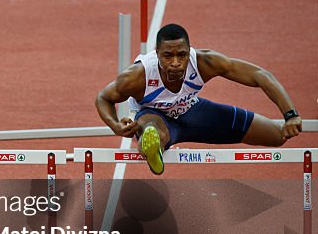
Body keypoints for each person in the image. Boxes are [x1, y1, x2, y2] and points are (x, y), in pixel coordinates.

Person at [96, 23, 302, 175]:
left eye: (182, 55)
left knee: (276, 136)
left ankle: (153, 142)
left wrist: (290, 114)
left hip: (194, 112)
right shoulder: (137, 76)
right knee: (152, 131)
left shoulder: (204, 62)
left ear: (189, 52)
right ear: (157, 53)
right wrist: (115, 125)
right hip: (155, 117)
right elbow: (104, 98)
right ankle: (152, 147)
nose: (176, 63)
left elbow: (260, 75)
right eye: (168, 56)